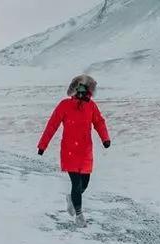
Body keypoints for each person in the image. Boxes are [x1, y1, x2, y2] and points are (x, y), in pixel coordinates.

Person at [37, 74, 110, 226]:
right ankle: (79, 215)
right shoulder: (64, 105)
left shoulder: (91, 106)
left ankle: (71, 198)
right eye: (80, 89)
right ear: (75, 90)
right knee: (76, 184)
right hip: (70, 151)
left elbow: (99, 122)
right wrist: (42, 145)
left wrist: (105, 138)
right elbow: (52, 125)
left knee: (85, 183)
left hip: (85, 152)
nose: (83, 93)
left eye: (86, 90)